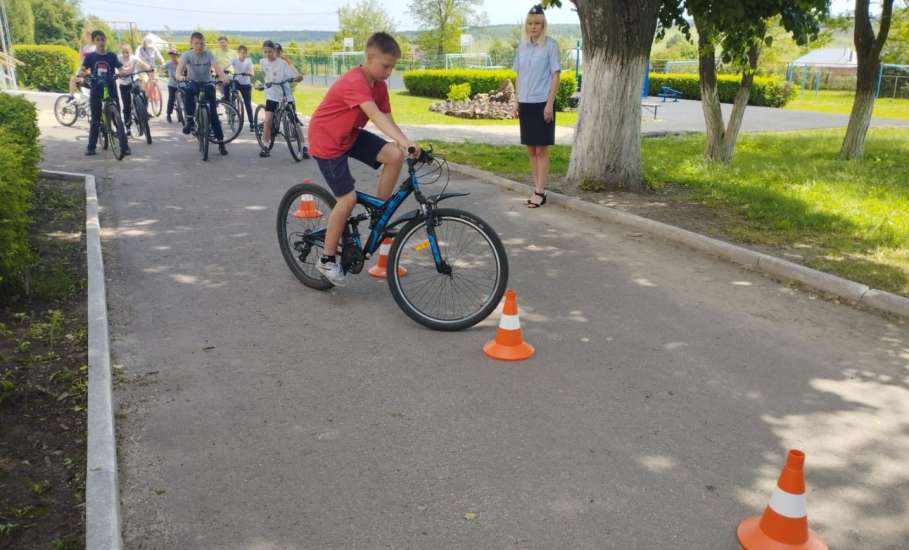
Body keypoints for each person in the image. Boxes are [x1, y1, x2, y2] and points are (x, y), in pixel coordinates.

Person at [307, 32, 419, 286]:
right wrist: (404, 140)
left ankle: (380, 213)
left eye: (393, 66)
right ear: (369, 58)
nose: (389, 71)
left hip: (348, 135)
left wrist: (406, 143)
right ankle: (326, 259)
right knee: (347, 199)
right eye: (386, 65)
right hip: (327, 140)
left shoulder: (379, 85)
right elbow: (375, 115)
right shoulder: (354, 81)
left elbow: (387, 118)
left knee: (394, 154)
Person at [513, 4, 561, 208]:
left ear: (543, 26)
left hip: (542, 103)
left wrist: (549, 104)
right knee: (531, 150)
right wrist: (516, 101)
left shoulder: (550, 45)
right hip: (525, 102)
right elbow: (518, 76)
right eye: (531, 23)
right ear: (526, 25)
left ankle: (540, 191)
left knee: (541, 150)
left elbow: (555, 75)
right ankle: (536, 187)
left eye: (538, 24)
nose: (534, 27)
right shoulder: (521, 47)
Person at [176, 32, 229, 156]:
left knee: (214, 116)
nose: (200, 46)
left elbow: (217, 68)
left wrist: (223, 77)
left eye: (202, 43)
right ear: (191, 44)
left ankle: (221, 143)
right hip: (193, 82)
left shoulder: (209, 54)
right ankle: (190, 120)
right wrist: (179, 76)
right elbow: (179, 70)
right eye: (196, 43)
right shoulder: (187, 55)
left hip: (207, 83)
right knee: (189, 91)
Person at [79, 30, 129, 156]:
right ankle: (91, 147)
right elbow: (83, 70)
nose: (101, 42)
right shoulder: (90, 57)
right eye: (98, 40)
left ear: (105, 40)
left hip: (111, 88)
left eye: (103, 39)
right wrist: (81, 74)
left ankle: (125, 146)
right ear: (94, 41)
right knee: (95, 120)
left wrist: (122, 72)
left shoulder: (111, 56)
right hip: (96, 90)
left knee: (117, 117)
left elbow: (120, 68)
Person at [258, 40, 303, 157]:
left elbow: (295, 76)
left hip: (285, 95)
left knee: (295, 121)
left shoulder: (282, 63)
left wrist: (297, 78)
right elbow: (262, 74)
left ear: (275, 51)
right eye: (265, 52)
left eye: (271, 52)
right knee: (268, 120)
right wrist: (262, 84)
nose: (268, 54)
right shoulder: (263, 62)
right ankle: (266, 145)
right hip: (271, 95)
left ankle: (303, 146)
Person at [117, 44, 150, 137]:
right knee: (126, 106)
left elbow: (143, 64)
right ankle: (127, 126)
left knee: (143, 92)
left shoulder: (134, 58)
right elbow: (113, 67)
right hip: (123, 84)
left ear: (130, 52)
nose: (125, 54)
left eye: (127, 52)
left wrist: (149, 68)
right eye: (124, 52)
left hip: (133, 80)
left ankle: (143, 111)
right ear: (121, 52)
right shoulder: (118, 58)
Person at [229, 44, 255, 131]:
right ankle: (232, 104)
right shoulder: (235, 60)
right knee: (233, 84)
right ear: (238, 53)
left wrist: (249, 73)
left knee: (248, 104)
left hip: (246, 84)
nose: (243, 55)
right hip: (237, 81)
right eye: (242, 53)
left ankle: (252, 123)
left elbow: (252, 71)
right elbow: (227, 66)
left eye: (245, 53)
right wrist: (222, 71)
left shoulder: (248, 61)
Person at [163, 49, 181, 123]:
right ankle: (168, 114)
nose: (173, 57)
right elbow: (161, 67)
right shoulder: (168, 64)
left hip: (180, 84)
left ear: (176, 56)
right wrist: (162, 73)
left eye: (174, 55)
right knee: (171, 99)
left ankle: (181, 114)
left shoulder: (180, 63)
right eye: (171, 55)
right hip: (172, 84)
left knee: (183, 99)